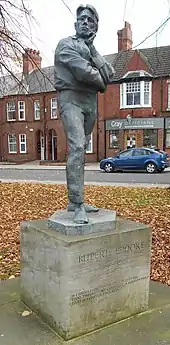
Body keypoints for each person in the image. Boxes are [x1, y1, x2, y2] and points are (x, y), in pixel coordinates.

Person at [54, 4, 115, 224]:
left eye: (90, 20)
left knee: (81, 151)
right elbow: (83, 72)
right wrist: (101, 82)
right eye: (82, 19)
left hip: (90, 102)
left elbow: (109, 73)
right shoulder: (65, 45)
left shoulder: (92, 50)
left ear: (95, 27)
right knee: (78, 146)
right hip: (71, 99)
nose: (86, 23)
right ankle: (77, 203)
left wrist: (94, 52)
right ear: (75, 23)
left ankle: (75, 200)